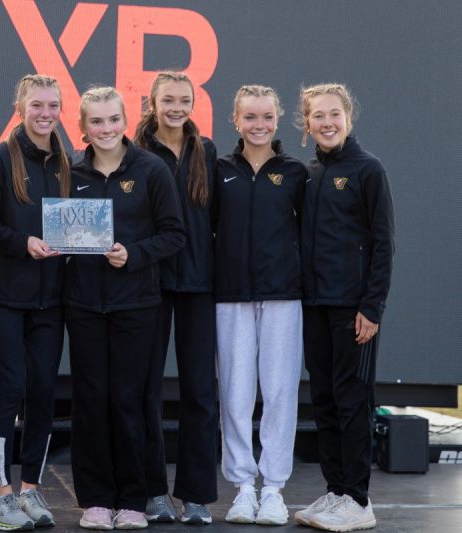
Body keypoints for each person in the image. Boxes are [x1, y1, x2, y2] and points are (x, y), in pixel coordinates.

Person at [66, 86, 186, 530]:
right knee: (91, 401)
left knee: (129, 402)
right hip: (83, 305)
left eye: (113, 119)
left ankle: (134, 500)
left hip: (138, 305)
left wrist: (132, 254)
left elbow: (175, 234)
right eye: (96, 121)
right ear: (83, 127)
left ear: (126, 120)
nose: (106, 129)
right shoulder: (71, 173)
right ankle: (96, 500)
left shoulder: (151, 170)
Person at [294, 83, 394, 532]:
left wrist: (371, 308)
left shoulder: (368, 169)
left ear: (348, 117)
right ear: (306, 122)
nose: (327, 122)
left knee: (353, 402)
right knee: (326, 400)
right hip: (315, 306)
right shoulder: (310, 172)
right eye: (318, 115)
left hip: (353, 310)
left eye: (334, 114)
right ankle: (336, 492)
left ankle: (358, 499)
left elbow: (382, 243)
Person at [0, 74, 71, 531]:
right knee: (7, 391)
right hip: (3, 298)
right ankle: (0, 493)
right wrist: (24, 243)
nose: (45, 113)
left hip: (50, 301)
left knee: (41, 393)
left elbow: (74, 225)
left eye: (52, 105)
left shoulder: (63, 162)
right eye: (37, 105)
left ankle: (31, 488)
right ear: (20, 106)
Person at [212, 85, 306, 525]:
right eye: (250, 117)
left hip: (283, 296)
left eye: (266, 116)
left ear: (277, 118)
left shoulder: (294, 172)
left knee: (280, 393)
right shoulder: (220, 170)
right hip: (230, 297)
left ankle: (273, 490)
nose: (259, 125)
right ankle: (242, 488)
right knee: (235, 393)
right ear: (235, 120)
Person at [133, 71, 219, 525]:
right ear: (152, 102)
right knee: (146, 391)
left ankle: (196, 496)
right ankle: (153, 493)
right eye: (168, 99)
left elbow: (215, 221)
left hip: (199, 287)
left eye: (184, 99)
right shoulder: (136, 151)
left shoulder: (205, 150)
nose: (176, 107)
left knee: (200, 393)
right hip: (148, 285)